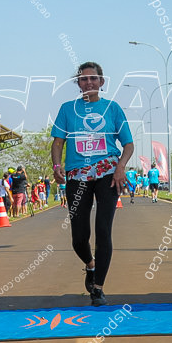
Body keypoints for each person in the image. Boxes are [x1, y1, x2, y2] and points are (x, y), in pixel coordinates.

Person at [51, 61, 134, 307]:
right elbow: (57, 143)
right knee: (78, 236)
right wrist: (57, 167)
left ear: (102, 82)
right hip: (77, 176)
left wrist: (120, 168)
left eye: (93, 79)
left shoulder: (112, 108)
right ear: (78, 83)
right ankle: (90, 265)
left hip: (108, 173)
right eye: (84, 79)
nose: (89, 83)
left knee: (103, 230)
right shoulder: (67, 109)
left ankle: (98, 288)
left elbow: (128, 144)